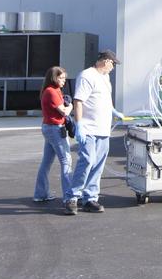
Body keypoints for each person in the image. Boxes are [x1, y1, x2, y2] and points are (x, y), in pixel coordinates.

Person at [71, 50, 125, 213]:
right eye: (113, 64)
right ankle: (73, 196)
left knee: (98, 164)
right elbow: (78, 101)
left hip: (103, 129)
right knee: (87, 161)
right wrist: (79, 124)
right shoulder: (87, 76)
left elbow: (105, 101)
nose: (113, 67)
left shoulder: (105, 78)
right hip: (88, 129)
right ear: (106, 61)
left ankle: (90, 198)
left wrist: (114, 111)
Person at [34, 66, 77, 215]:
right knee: (66, 161)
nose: (64, 81)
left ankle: (40, 194)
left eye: (64, 78)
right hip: (55, 129)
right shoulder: (52, 92)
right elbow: (64, 111)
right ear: (54, 77)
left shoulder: (52, 90)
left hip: (50, 128)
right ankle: (68, 198)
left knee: (46, 162)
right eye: (61, 78)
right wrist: (71, 105)